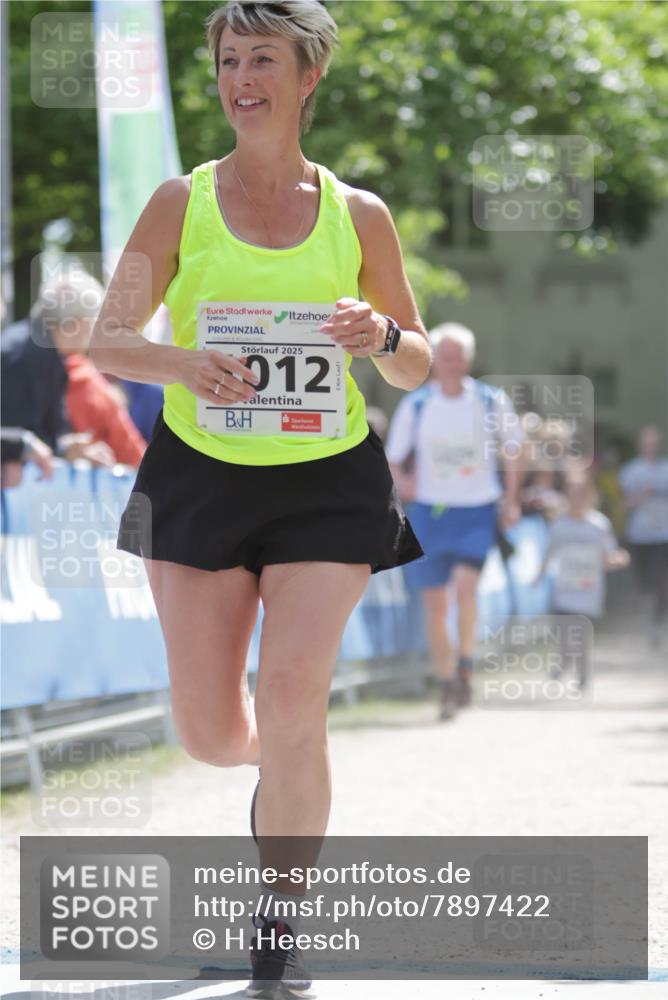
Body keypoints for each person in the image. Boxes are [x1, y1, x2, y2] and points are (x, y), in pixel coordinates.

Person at [89, 2, 429, 995]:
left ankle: (279, 933)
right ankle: (270, 772)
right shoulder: (177, 203)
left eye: (261, 59)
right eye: (229, 59)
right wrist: (183, 363)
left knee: (292, 704)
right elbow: (108, 339)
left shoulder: (357, 213)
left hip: (326, 479)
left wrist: (379, 339)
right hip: (199, 473)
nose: (241, 77)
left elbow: (413, 361)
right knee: (209, 733)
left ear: (307, 75)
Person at [385, 322, 524, 720]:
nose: (450, 363)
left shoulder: (490, 400)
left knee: (465, 590)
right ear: (433, 361)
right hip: (430, 511)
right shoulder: (417, 404)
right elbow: (393, 456)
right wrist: (405, 482)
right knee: (435, 604)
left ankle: (466, 660)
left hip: (478, 508)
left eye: (457, 356)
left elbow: (514, 451)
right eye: (443, 356)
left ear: (468, 361)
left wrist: (510, 500)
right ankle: (446, 680)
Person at [1, 272, 116, 468]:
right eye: (95, 321)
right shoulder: (24, 356)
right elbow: (16, 437)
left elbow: (39, 438)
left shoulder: (45, 354)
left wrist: (70, 448)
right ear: (78, 323)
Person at [536, 475, 629, 688]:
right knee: (562, 629)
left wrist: (619, 559)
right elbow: (549, 553)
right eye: (573, 495)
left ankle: (582, 672)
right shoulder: (559, 524)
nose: (576, 499)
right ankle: (564, 658)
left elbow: (609, 555)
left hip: (589, 590)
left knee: (581, 632)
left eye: (581, 495)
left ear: (589, 497)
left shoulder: (599, 525)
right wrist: (538, 576)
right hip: (565, 588)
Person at [619, 426, 668, 646]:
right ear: (641, 445)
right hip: (639, 535)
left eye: (655, 443)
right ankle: (646, 619)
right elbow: (623, 504)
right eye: (648, 443)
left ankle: (655, 622)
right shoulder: (630, 472)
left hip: (663, 535)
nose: (652, 447)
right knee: (644, 583)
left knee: (661, 580)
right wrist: (641, 496)